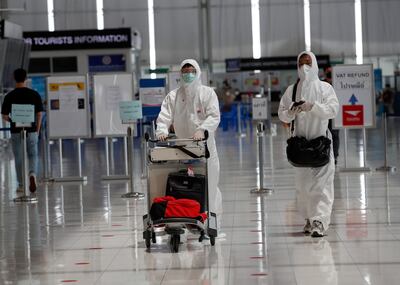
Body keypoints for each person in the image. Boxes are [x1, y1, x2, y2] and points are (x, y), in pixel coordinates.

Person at [156, 59, 222, 229]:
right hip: (182, 149)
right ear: (180, 74)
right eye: (185, 71)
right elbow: (164, 116)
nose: (188, 74)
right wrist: (161, 131)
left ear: (198, 72)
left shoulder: (207, 93)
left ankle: (211, 226)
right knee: (184, 187)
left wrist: (203, 130)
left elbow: (214, 116)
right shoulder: (173, 96)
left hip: (205, 149)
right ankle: (184, 221)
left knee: (210, 188)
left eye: (192, 71)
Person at [278, 51, 339, 237]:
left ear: (314, 65)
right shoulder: (292, 90)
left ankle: (319, 221)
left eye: (308, 62)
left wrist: (313, 106)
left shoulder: (325, 88)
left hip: (320, 144)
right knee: (303, 186)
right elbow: (281, 113)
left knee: (322, 186)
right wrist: (291, 112)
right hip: (300, 146)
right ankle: (308, 218)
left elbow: (333, 110)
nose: (305, 66)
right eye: (301, 63)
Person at [1, 68, 43, 194]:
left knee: (18, 157)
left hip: (16, 130)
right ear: (25, 78)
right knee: (33, 155)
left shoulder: (10, 96)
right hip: (32, 130)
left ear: (14, 78)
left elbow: (4, 115)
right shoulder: (34, 94)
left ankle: (21, 184)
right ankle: (32, 174)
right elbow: (39, 114)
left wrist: (14, 120)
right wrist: (37, 129)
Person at [324, 66, 340, 165]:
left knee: (335, 135)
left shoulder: (338, 84)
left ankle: (335, 156)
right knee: (323, 134)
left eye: (331, 72)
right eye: (328, 72)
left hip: (334, 114)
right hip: (324, 113)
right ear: (325, 72)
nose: (329, 74)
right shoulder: (322, 84)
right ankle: (325, 155)